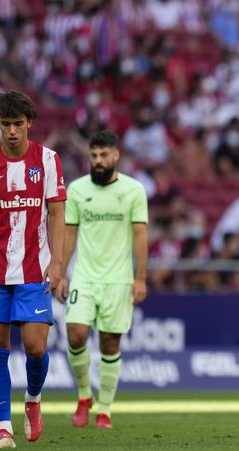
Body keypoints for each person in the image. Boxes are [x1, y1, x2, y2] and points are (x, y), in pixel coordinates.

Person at [0, 90, 66, 449]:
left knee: (36, 347)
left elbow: (58, 214)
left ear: (30, 123)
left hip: (35, 270)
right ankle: (4, 428)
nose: (12, 131)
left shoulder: (48, 160)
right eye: (5, 124)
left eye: (18, 124)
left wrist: (58, 263)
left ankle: (33, 400)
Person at [55, 130, 148, 429]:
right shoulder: (78, 190)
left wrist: (140, 278)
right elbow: (68, 234)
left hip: (119, 280)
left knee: (110, 344)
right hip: (83, 277)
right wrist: (61, 273)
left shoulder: (133, 190)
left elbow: (140, 236)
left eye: (103, 155)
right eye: (93, 156)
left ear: (115, 155)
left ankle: (105, 409)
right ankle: (84, 397)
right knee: (76, 335)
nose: (97, 160)